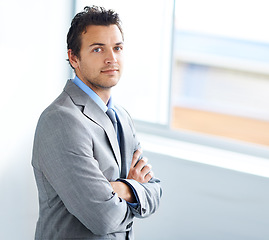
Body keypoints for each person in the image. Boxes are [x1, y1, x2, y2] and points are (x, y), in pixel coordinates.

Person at [32, 5, 162, 240]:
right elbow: (102, 218)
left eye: (117, 48)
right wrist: (133, 186)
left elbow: (155, 191)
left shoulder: (121, 116)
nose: (111, 58)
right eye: (98, 49)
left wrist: (118, 189)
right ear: (74, 57)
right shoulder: (61, 120)